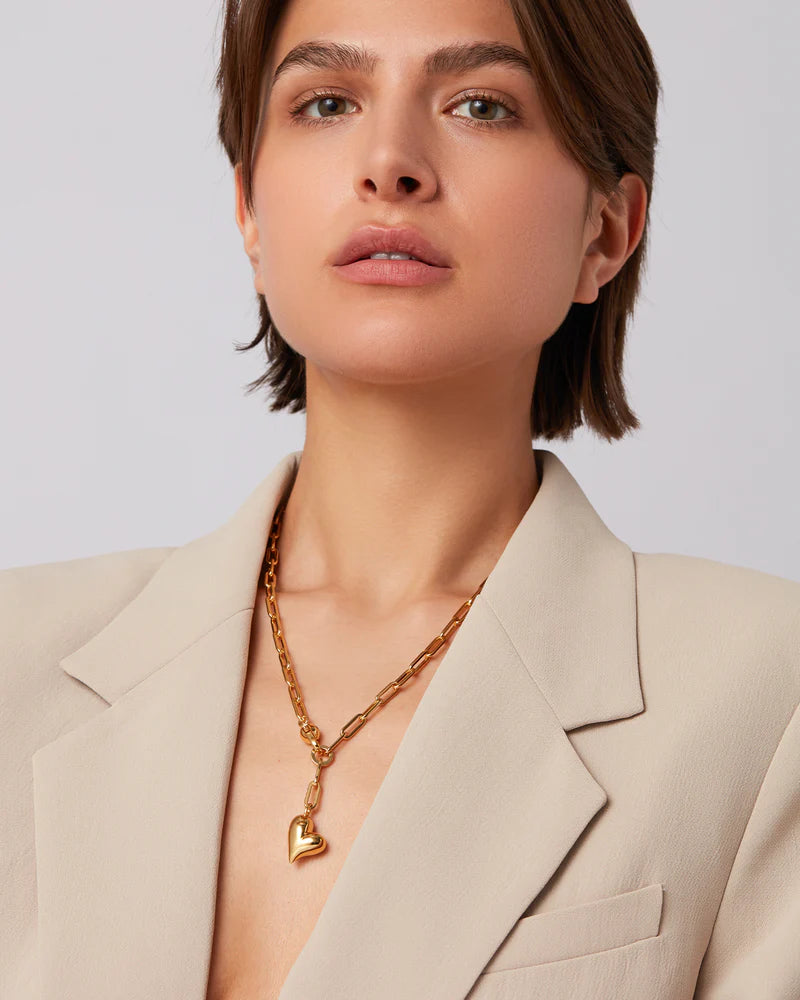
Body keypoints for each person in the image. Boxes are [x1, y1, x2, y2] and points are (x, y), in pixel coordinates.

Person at [2, 0, 798, 997]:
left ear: (607, 229)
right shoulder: (14, 660)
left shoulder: (768, 697)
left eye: (479, 104)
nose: (389, 161)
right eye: (327, 101)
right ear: (248, 209)